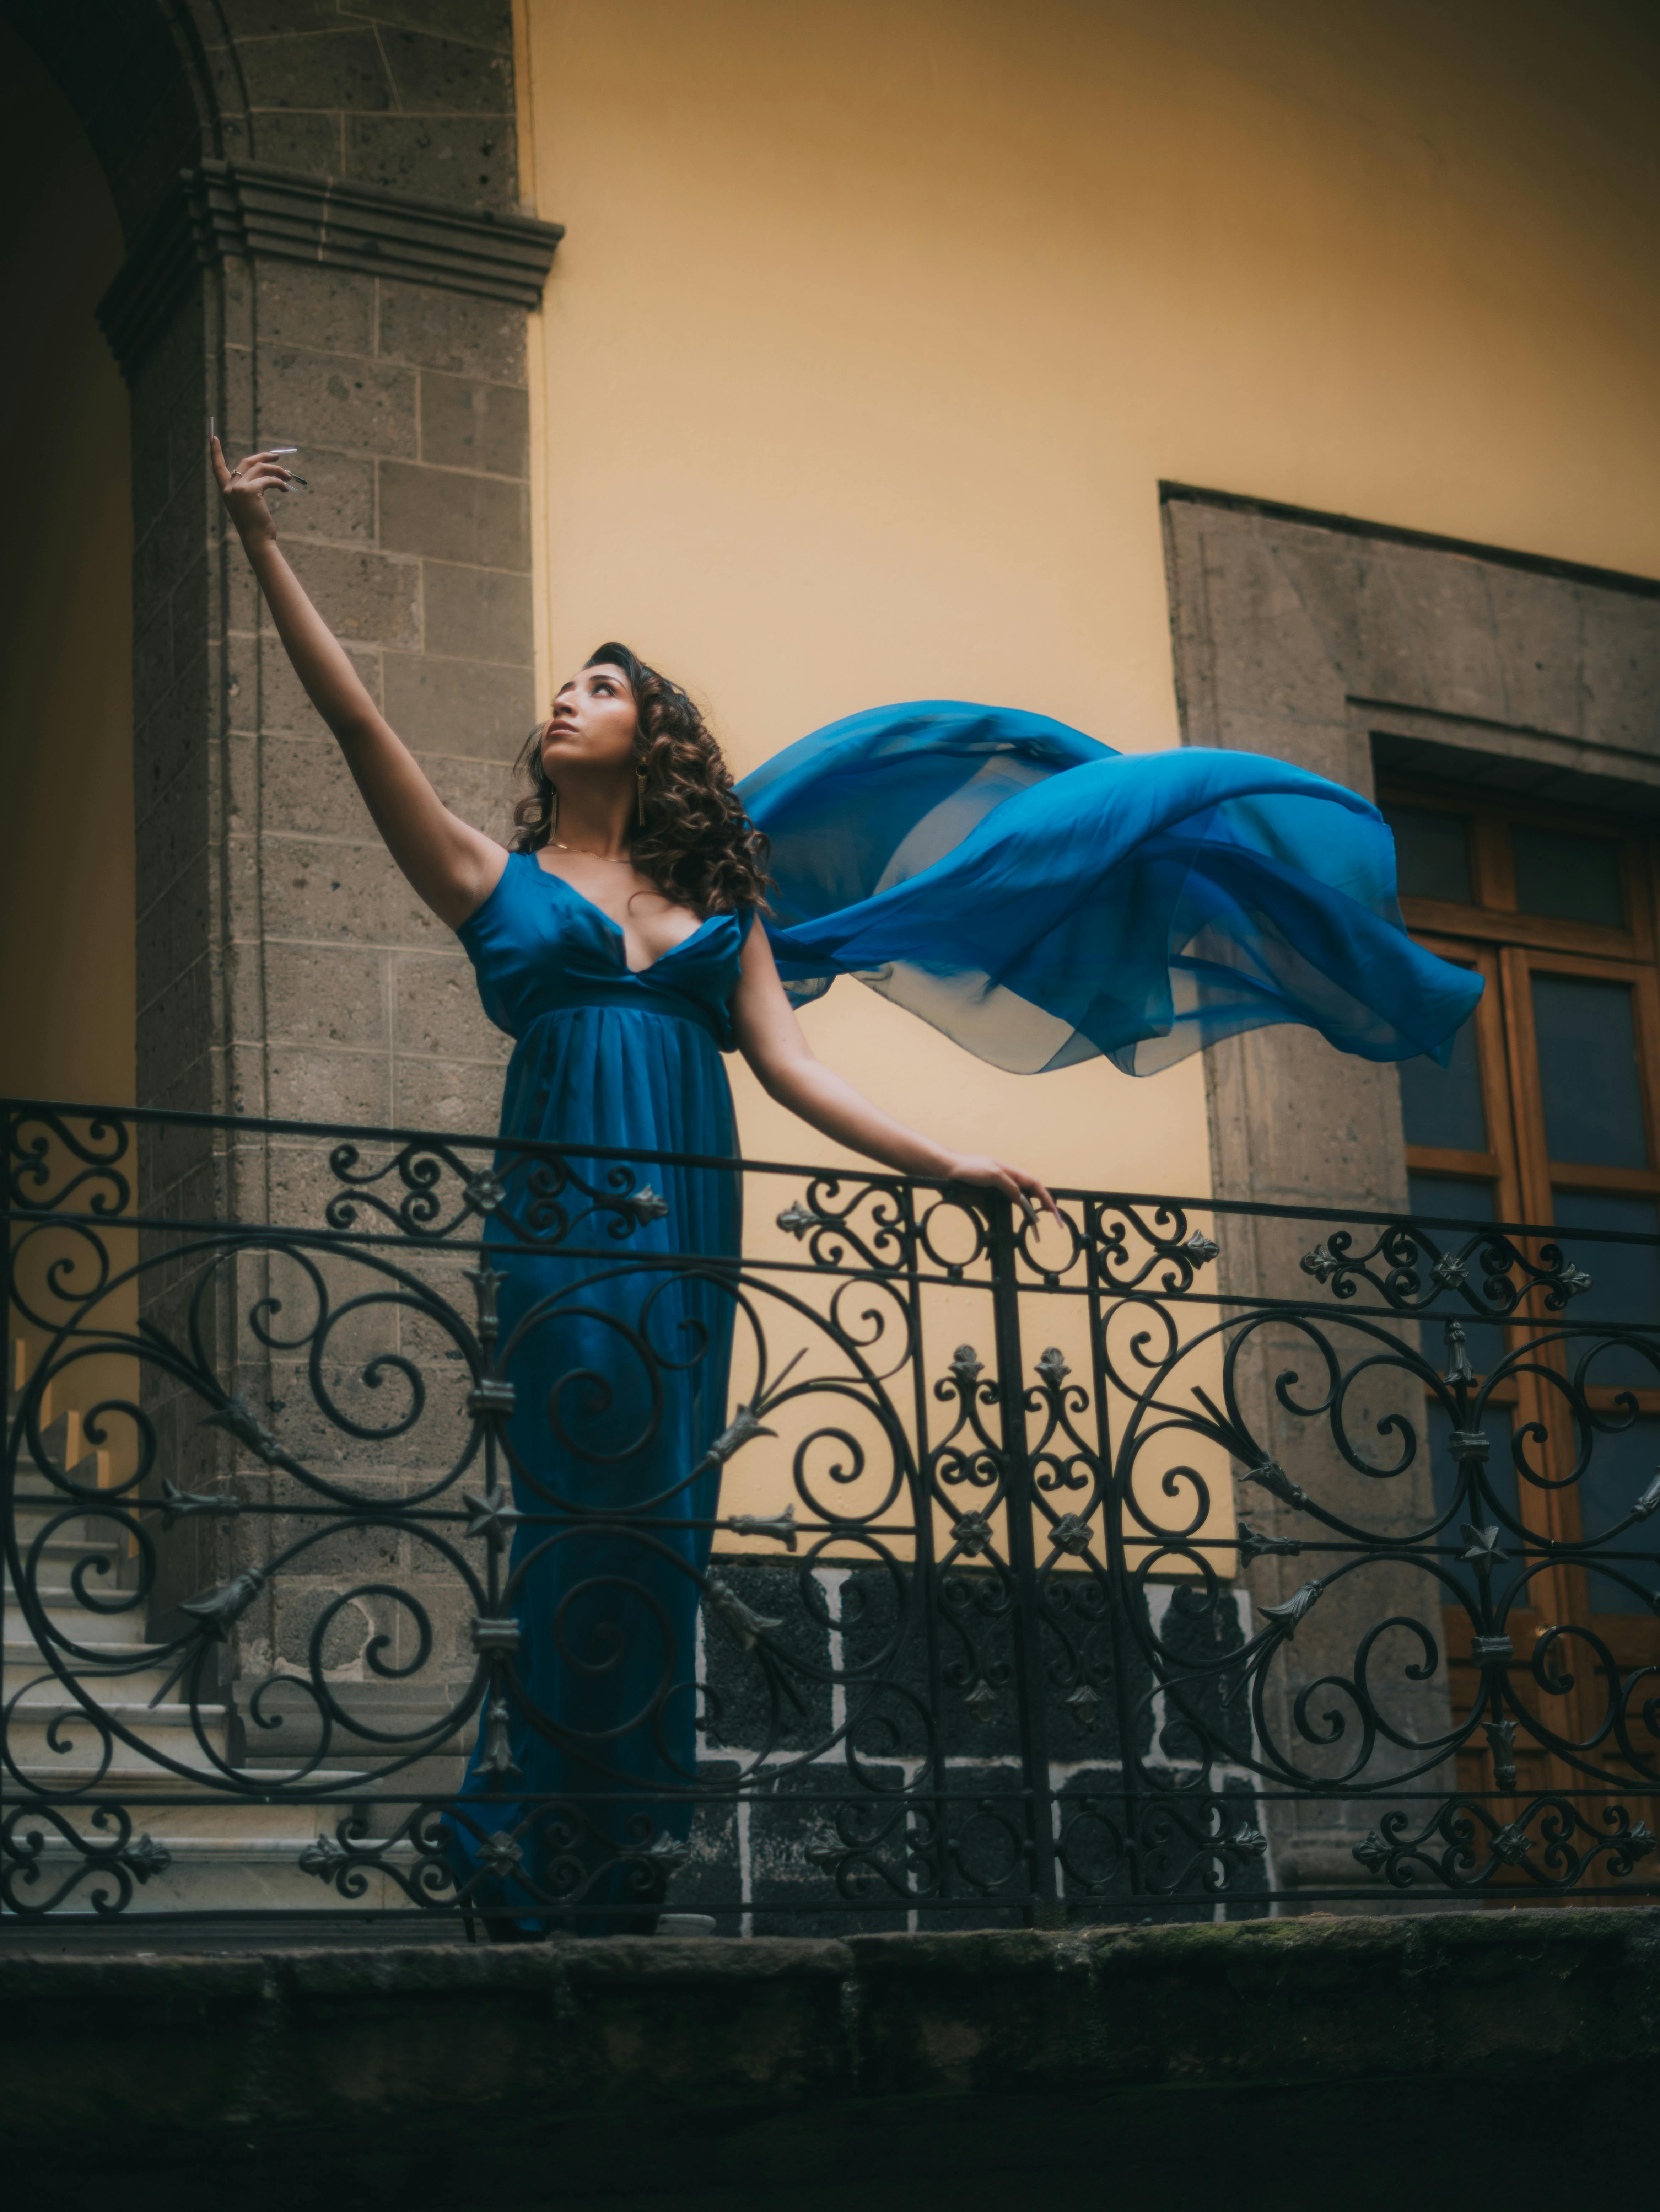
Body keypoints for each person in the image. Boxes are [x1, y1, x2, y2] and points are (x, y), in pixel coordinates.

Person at [213, 439, 1480, 1934]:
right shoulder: (496, 878)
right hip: (558, 1219)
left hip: (688, 1217)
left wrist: (945, 1158)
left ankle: (619, 1848)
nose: (567, 696)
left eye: (602, 686)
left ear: (656, 736)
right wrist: (259, 546)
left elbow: (797, 1070)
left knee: (656, 1524)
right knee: (572, 1503)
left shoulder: (718, 909)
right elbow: (357, 725)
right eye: (564, 686)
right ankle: (529, 1835)